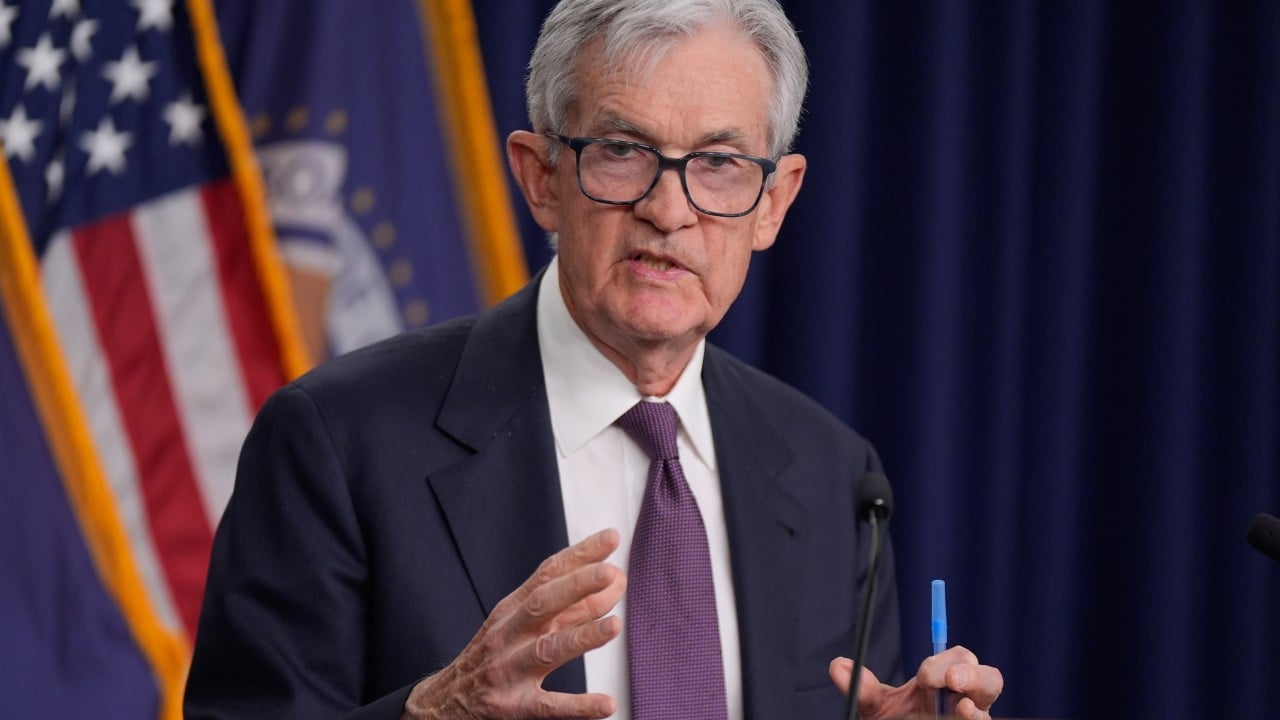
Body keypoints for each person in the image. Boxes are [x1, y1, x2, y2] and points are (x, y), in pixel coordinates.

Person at [185, 0, 1004, 718]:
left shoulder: (833, 477)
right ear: (541, 177)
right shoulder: (337, 441)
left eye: (718, 164)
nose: (668, 209)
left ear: (774, 202)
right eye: (623, 150)